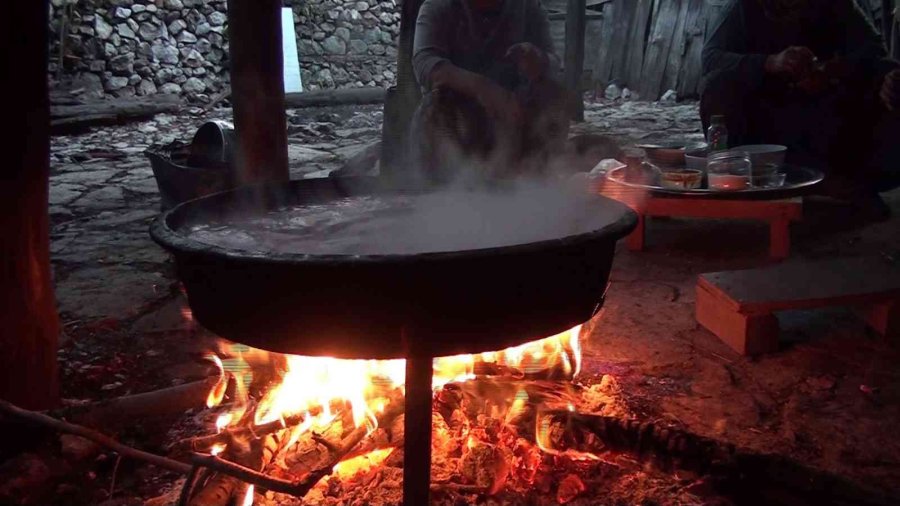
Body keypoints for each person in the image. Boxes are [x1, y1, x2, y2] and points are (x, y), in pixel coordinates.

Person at [701, 0, 900, 216]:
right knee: (718, 86)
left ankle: (846, 180)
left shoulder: (837, 5)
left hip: (825, 118)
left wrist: (831, 72)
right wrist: (770, 63)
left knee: (891, 80)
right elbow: (711, 58)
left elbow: (875, 52)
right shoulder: (744, 7)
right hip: (762, 124)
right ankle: (742, 178)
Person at [407, 0, 570, 186]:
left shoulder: (528, 8)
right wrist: (483, 89)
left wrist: (538, 60)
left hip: (514, 120)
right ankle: (441, 188)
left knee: (553, 97)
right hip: (460, 121)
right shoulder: (439, 6)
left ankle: (531, 180)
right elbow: (425, 63)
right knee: (434, 108)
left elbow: (554, 63)